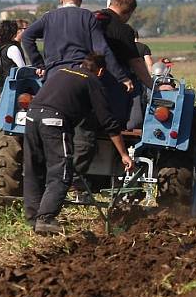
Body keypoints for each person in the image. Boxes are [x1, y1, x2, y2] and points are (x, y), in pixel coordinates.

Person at [23, 53, 134, 235]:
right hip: (54, 120)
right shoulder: (92, 81)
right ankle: (46, 218)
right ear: (100, 71)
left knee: (34, 168)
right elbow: (107, 121)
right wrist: (123, 154)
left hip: (32, 116)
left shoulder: (61, 72)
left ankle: (33, 218)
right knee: (62, 171)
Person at [21, 0, 131, 90]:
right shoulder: (87, 16)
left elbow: (26, 36)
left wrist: (39, 64)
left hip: (54, 75)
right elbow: (102, 49)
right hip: (80, 73)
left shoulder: (48, 18)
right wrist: (121, 77)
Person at [93, 0, 154, 124]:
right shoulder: (124, 30)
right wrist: (152, 85)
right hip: (113, 84)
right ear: (129, 12)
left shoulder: (90, 19)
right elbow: (136, 62)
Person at [0, 20, 27, 98]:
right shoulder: (13, 49)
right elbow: (23, 69)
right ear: (13, 33)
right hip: (11, 89)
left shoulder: (0, 48)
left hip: (1, 88)